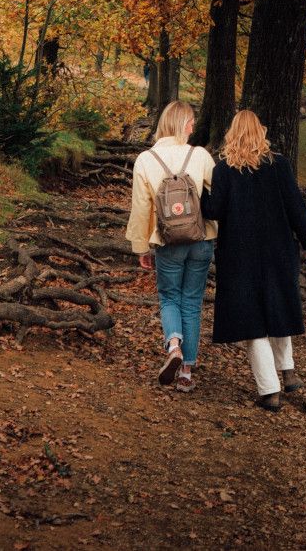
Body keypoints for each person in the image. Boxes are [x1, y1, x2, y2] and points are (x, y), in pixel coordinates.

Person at [201, 109, 306, 411]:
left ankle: (270, 391)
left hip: (240, 257)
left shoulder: (224, 169)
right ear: (260, 132)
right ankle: (288, 372)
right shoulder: (278, 165)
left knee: (252, 320)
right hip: (278, 251)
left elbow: (213, 211)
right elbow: (296, 207)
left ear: (232, 133)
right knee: (278, 307)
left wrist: (200, 193)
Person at [125, 100, 216, 392]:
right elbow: (219, 196)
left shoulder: (146, 159)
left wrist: (141, 246)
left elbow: (141, 207)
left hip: (167, 241)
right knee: (192, 301)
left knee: (169, 297)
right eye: (191, 121)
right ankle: (187, 372)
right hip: (201, 240)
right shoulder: (200, 155)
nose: (193, 126)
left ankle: (173, 345)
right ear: (183, 124)